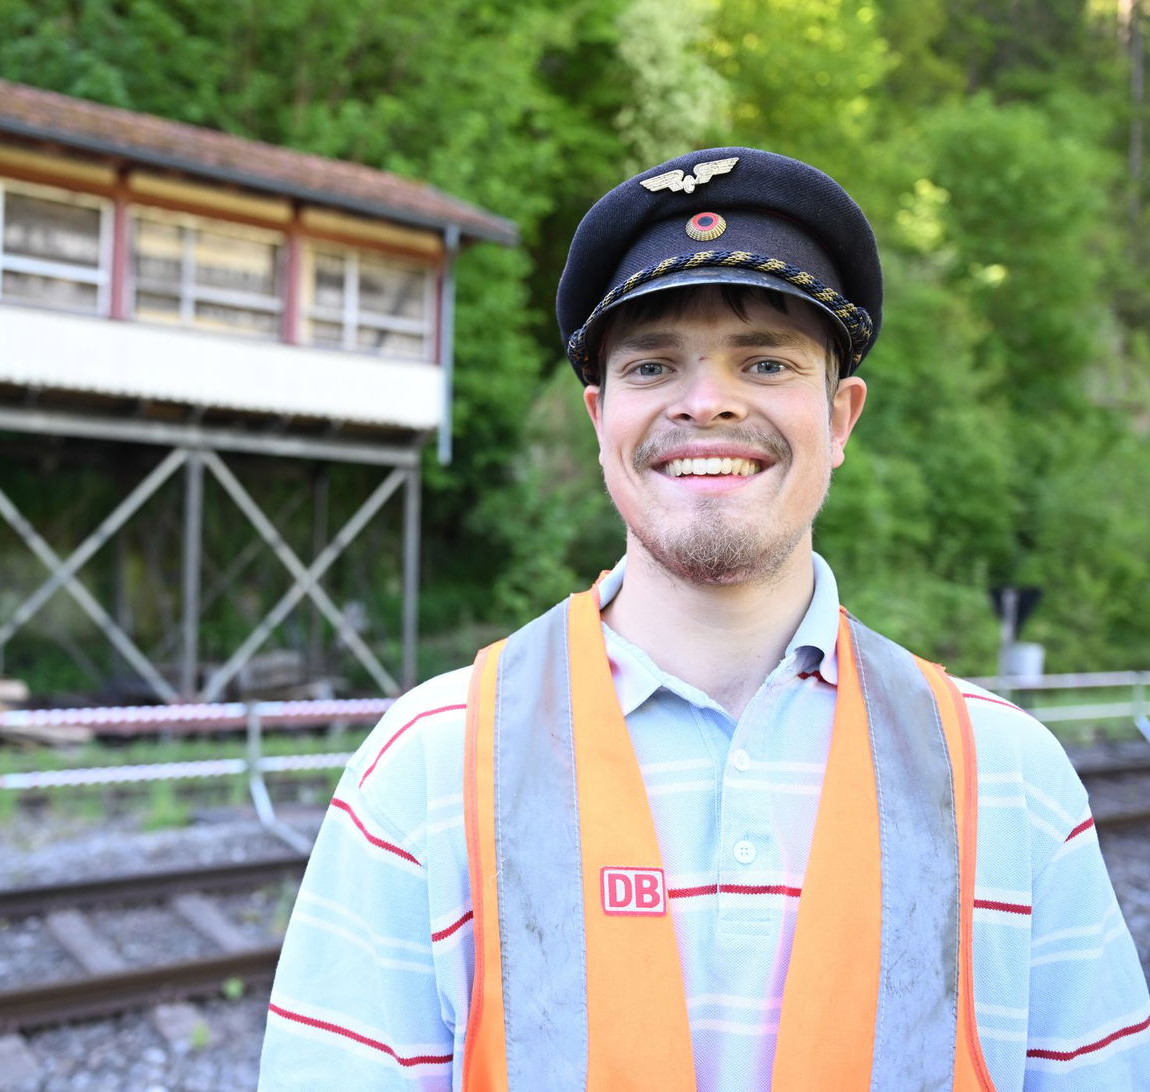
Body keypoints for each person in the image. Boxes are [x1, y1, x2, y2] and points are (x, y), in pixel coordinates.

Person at [257, 147, 1150, 1090]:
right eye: (653, 365)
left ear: (840, 419)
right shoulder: (430, 765)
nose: (707, 402)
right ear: (600, 419)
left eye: (765, 361)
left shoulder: (1011, 780)